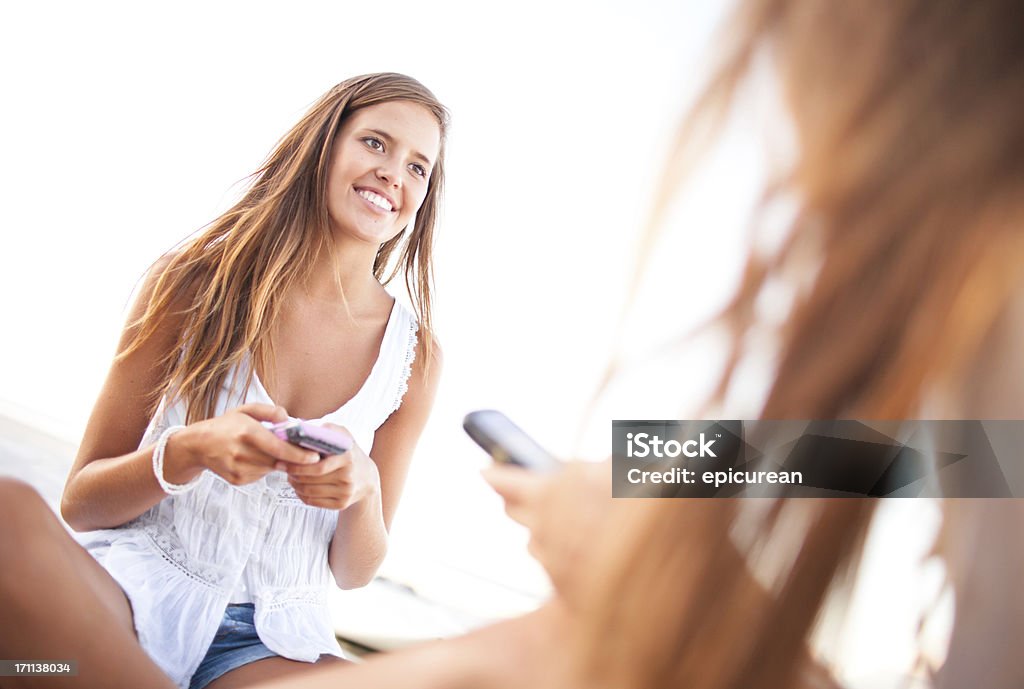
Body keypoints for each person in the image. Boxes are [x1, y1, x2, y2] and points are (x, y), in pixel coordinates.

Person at [0, 72, 447, 689]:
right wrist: (187, 452)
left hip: (270, 643)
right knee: (6, 519)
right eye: (375, 143)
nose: (394, 173)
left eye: (419, 167)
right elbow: (82, 502)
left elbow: (354, 569)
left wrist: (363, 489)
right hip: (134, 598)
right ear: (322, 146)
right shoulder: (191, 282)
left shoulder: (415, 356)